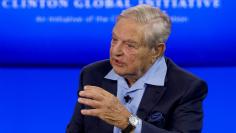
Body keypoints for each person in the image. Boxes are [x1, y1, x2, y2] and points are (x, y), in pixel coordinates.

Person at [66, 4, 208, 133]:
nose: (116, 51)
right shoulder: (92, 74)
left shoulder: (186, 88)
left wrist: (128, 122)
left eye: (130, 45)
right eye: (114, 39)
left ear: (156, 51)